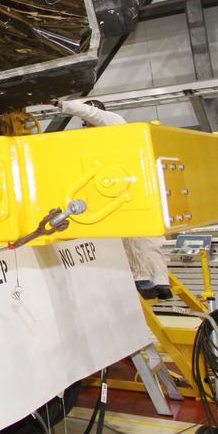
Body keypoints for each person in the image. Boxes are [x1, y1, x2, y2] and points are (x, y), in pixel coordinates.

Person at [55, 98, 173, 300]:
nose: (86, 125)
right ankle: (160, 283)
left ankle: (144, 280)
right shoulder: (110, 133)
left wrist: (59, 104)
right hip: (135, 186)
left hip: (125, 189)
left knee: (133, 237)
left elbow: (90, 114)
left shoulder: (112, 121)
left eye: (86, 122)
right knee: (148, 241)